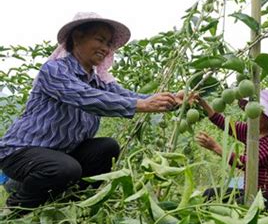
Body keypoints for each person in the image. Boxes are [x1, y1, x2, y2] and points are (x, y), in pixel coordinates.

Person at [0, 12, 182, 210]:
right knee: (65, 168)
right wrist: (142, 106)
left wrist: (172, 98)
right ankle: (17, 208)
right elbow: (84, 97)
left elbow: (127, 96)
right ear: (77, 37)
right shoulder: (54, 70)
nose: (105, 48)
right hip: (21, 152)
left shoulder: (98, 81)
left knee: (107, 148)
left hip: (63, 153)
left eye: (108, 44)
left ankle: (71, 205)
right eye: (100, 40)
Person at [195, 89, 268, 211]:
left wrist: (215, 147)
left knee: (234, 208)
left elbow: (249, 164)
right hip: (250, 191)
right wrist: (202, 102)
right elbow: (222, 122)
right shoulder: (251, 130)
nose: (251, 116)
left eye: (259, 113)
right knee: (210, 194)